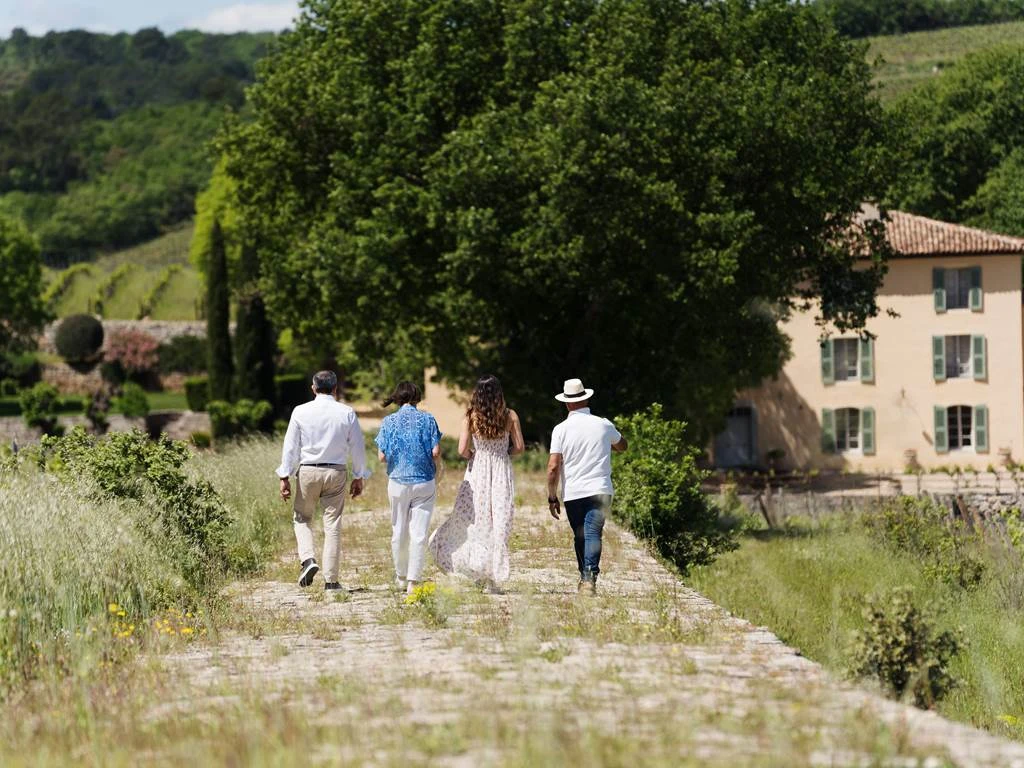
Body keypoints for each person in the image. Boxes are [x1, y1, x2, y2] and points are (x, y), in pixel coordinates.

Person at [428, 374, 525, 592]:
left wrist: (476, 454)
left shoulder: (470, 417)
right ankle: (492, 579)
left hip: (478, 471)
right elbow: (519, 447)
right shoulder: (510, 416)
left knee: (475, 522)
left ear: (477, 395)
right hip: (500, 471)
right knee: (498, 522)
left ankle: (476, 572)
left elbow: (462, 450)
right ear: (499, 393)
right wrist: (502, 452)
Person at [276, 370, 369, 592]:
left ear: (313, 388)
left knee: (302, 518)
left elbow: (291, 446)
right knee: (333, 525)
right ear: (336, 388)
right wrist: (359, 476)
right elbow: (357, 445)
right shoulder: (346, 412)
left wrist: (284, 476)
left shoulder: (301, 411)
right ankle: (331, 583)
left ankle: (308, 560)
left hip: (308, 471)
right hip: (336, 472)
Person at [546, 378, 627, 595]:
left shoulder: (560, 430)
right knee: (593, 534)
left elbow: (553, 467)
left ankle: (586, 577)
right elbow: (622, 446)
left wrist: (552, 497)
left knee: (581, 535)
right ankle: (588, 577)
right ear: (587, 399)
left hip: (573, 493)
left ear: (567, 403)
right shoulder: (603, 424)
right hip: (600, 489)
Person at [375, 381, 442, 594]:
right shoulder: (428, 419)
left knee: (398, 530)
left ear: (398, 397)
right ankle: (414, 581)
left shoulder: (388, 421)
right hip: (424, 481)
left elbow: (382, 457)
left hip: (397, 481)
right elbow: (436, 452)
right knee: (419, 533)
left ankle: (400, 577)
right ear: (416, 397)